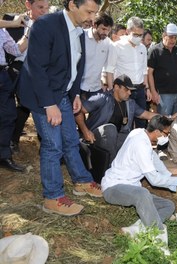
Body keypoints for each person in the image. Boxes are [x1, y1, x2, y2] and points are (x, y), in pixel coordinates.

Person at [18, 0, 103, 216]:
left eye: (95, 13)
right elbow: (36, 68)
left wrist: (74, 94)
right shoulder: (46, 25)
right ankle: (53, 197)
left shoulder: (81, 32)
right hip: (42, 95)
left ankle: (82, 181)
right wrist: (49, 105)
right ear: (73, 4)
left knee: (71, 141)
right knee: (52, 145)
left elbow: (77, 66)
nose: (92, 18)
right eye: (89, 12)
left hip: (63, 93)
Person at [101, 115, 177, 243]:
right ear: (157, 131)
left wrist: (169, 175)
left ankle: (136, 229)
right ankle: (159, 240)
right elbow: (154, 180)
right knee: (142, 193)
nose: (166, 137)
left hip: (132, 188)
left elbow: (154, 158)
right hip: (113, 188)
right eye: (166, 134)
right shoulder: (141, 145)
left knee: (168, 206)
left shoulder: (140, 133)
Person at [76, 74, 158, 163]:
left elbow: (145, 114)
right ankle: (111, 168)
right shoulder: (102, 98)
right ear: (116, 87)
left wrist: (166, 117)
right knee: (110, 129)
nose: (130, 93)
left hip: (116, 138)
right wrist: (85, 131)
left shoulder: (130, 103)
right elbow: (78, 111)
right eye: (126, 90)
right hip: (96, 138)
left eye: (130, 90)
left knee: (136, 137)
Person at [8, 0, 49, 153]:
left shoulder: (50, 24)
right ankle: (13, 139)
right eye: (40, 7)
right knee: (24, 105)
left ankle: (45, 141)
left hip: (41, 70)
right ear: (28, 5)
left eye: (47, 8)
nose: (44, 11)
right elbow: (12, 48)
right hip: (19, 69)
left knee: (41, 104)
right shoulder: (17, 22)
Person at [105, 16, 150, 129]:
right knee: (124, 122)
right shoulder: (117, 46)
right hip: (123, 90)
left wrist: (147, 89)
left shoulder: (142, 48)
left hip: (139, 89)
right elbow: (109, 69)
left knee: (141, 122)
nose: (138, 37)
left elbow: (144, 70)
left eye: (141, 35)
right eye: (136, 34)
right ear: (128, 31)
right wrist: (111, 90)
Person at [0, 15, 28, 172]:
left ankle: (3, 156)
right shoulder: (6, 24)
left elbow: (16, 50)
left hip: (3, 76)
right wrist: (14, 23)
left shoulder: (3, 31)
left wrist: (29, 33)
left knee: (8, 116)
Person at [147, 23, 177, 115]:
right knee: (164, 122)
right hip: (163, 94)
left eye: (175, 37)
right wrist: (153, 92)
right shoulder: (154, 51)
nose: (173, 40)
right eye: (171, 37)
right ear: (164, 35)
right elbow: (149, 73)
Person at [80, 12, 113, 99]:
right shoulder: (81, 36)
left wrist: (105, 82)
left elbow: (107, 67)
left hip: (96, 88)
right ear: (94, 25)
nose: (106, 33)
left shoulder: (108, 43)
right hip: (78, 87)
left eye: (108, 30)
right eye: (103, 29)